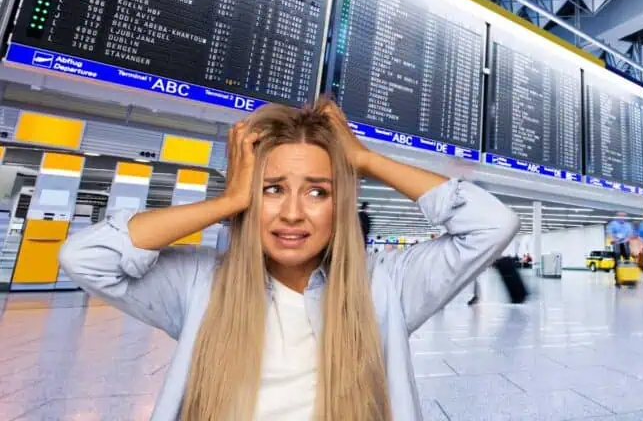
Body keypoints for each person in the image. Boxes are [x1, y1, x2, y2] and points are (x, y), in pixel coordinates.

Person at [58, 101, 519, 420]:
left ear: (340, 205)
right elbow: (85, 257)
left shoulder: (385, 287)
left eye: (318, 191)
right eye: (272, 189)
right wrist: (229, 200)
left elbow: (491, 225)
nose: (294, 212)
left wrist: (365, 158)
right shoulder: (201, 284)